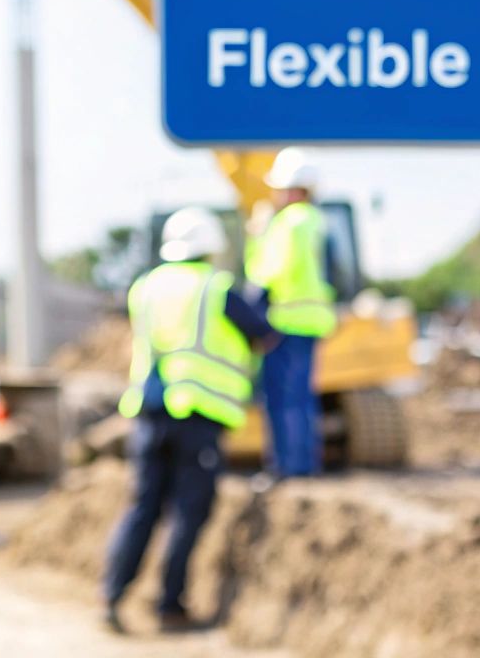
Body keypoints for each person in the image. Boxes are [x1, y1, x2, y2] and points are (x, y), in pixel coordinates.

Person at [102, 207, 275, 634]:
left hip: (148, 413)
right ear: (210, 248)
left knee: (143, 507)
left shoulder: (144, 287)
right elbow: (264, 335)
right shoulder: (216, 288)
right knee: (188, 512)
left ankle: (111, 596)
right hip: (196, 416)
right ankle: (169, 606)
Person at [244, 148, 338, 479]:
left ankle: (285, 467)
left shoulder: (287, 223)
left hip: (285, 322)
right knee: (301, 398)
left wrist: (256, 237)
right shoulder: (316, 221)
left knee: (280, 399)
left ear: (290, 188)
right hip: (313, 321)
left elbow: (268, 270)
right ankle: (304, 465)